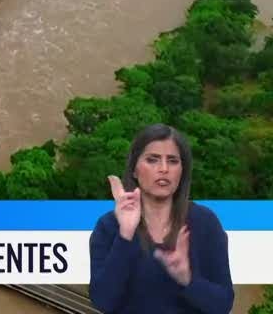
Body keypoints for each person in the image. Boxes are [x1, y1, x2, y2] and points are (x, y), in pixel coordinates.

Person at [89, 124, 234, 314]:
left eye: (173, 161)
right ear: (134, 170)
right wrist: (126, 235)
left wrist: (187, 280)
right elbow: (103, 301)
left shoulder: (205, 223)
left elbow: (223, 304)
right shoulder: (108, 226)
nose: (164, 169)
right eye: (152, 160)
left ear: (182, 171)